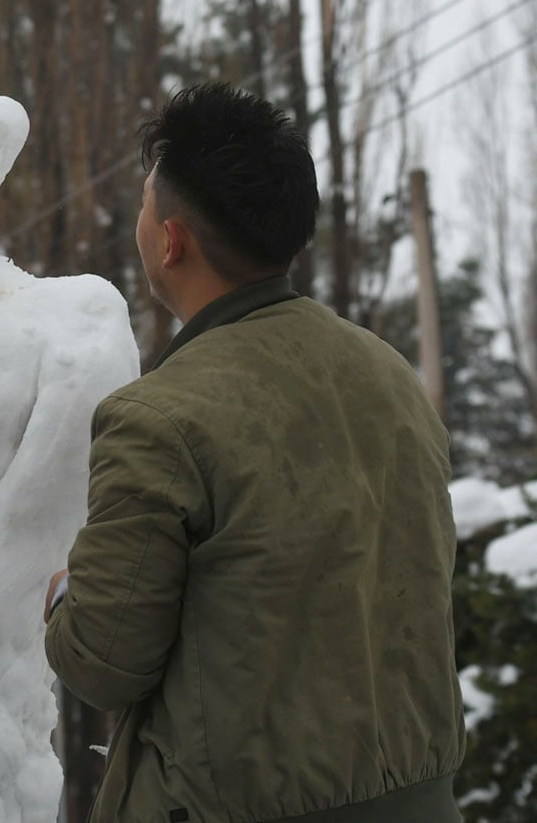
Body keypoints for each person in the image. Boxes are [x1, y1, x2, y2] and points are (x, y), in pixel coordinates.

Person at [43, 83, 465, 823]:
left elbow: (103, 660)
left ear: (170, 240)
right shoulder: (392, 375)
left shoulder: (158, 417)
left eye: (146, 209)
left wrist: (61, 597)